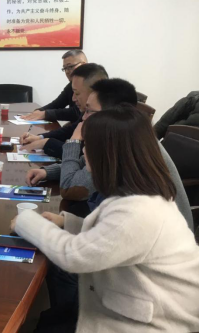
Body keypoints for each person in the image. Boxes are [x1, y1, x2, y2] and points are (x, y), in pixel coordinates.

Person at [13, 106, 199, 332]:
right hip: (141, 301)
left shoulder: (140, 211)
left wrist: (25, 221)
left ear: (107, 155)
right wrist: (68, 223)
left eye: (87, 146)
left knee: (58, 271)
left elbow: (72, 256)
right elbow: (115, 235)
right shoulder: (139, 193)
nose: (83, 152)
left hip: (156, 322)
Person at [25, 79, 194, 228]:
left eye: (89, 111)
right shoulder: (126, 135)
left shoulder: (124, 147)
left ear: (111, 115)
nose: (83, 118)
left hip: (158, 245)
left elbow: (69, 187)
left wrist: (74, 141)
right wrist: (48, 171)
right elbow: (84, 163)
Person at [21, 63, 108, 158]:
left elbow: (82, 155)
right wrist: (40, 137)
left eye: (77, 93)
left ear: (94, 93)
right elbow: (70, 130)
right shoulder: (88, 112)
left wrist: (47, 143)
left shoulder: (108, 121)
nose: (73, 99)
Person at [21, 50, 86, 122]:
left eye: (70, 67)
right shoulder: (71, 85)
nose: (67, 71)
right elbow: (57, 104)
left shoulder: (91, 84)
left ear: (84, 65)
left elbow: (77, 112)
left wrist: (45, 114)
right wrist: (38, 111)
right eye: (65, 68)